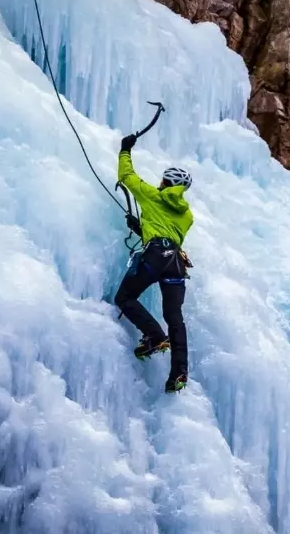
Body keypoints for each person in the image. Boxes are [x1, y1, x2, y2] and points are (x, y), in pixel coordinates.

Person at [114, 133, 194, 393]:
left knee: (125, 297)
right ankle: (179, 373)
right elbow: (168, 232)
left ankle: (155, 335)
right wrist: (141, 228)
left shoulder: (153, 196)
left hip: (156, 255)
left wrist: (125, 150)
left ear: (165, 182)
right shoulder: (187, 215)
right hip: (177, 264)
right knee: (175, 317)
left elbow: (127, 177)